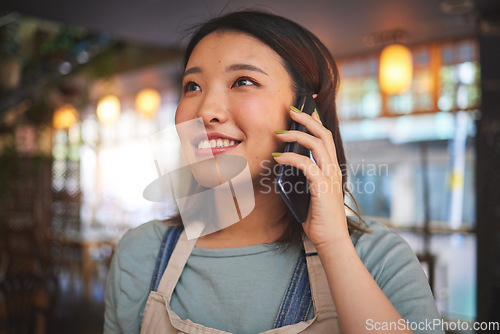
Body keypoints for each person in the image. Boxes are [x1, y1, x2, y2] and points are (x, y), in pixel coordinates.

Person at [104, 10, 443, 334]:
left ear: (305, 114)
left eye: (243, 81)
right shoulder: (139, 253)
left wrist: (334, 245)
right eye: (193, 86)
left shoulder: (378, 260)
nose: (206, 110)